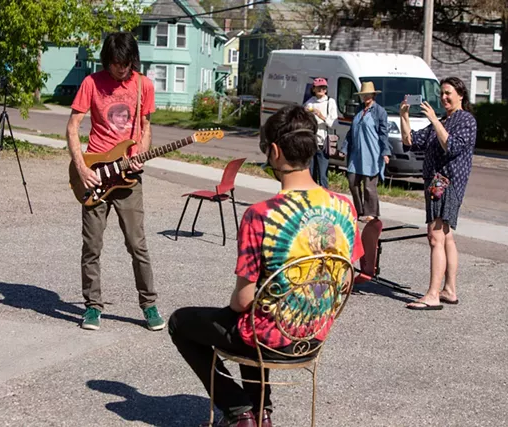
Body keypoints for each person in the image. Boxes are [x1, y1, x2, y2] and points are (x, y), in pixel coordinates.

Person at [168, 105, 363, 427]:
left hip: (270, 338)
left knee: (183, 322)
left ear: (274, 151)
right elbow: (347, 275)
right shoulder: (344, 206)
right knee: (253, 316)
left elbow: (242, 301)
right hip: (314, 333)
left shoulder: (261, 214)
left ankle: (239, 411)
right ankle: (262, 413)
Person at [66, 32, 165, 331]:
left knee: (138, 245)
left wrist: (142, 154)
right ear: (106, 60)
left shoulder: (143, 85)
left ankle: (149, 305)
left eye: (124, 64)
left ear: (132, 60)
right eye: (113, 64)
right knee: (92, 246)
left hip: (128, 176)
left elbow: (146, 127)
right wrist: (82, 167)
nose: (119, 70)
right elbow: (72, 127)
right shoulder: (91, 83)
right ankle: (93, 307)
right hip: (95, 173)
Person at [399, 76, 477, 310]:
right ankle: (449, 290)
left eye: (448, 93)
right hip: (436, 184)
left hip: (447, 185)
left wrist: (433, 119)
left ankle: (432, 294)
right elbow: (410, 141)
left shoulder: (465, 120)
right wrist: (404, 115)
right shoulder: (444, 119)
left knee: (435, 237)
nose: (443, 98)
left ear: (460, 95)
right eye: (441, 93)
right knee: (446, 237)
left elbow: (451, 146)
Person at [339, 81, 391, 222]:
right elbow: (351, 132)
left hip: (372, 153)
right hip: (356, 153)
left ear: (373, 95)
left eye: (368, 94)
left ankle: (371, 213)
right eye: (363, 95)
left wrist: (385, 152)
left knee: (369, 186)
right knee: (352, 182)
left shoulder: (380, 111)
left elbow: (383, 134)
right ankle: (359, 210)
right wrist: (344, 148)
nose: (365, 97)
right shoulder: (359, 110)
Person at [303, 77, 338, 189]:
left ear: (326, 90)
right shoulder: (309, 103)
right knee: (311, 174)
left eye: (323, 87)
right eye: (318, 87)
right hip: (311, 142)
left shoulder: (330, 102)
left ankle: (325, 199)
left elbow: (333, 123)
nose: (321, 90)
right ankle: (313, 199)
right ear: (313, 89)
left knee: (323, 175)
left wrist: (320, 115)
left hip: (324, 143)